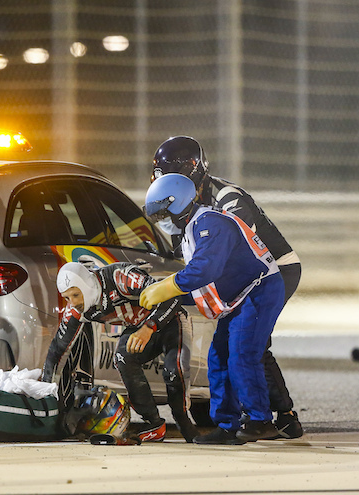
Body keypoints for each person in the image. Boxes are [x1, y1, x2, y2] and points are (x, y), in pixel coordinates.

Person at [150, 135, 302, 439]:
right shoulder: (188, 202)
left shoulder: (227, 199)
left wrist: (178, 285)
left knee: (249, 345)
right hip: (244, 277)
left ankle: (274, 416)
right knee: (230, 347)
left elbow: (235, 253)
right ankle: (240, 420)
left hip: (272, 270)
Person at [42, 261, 200, 443]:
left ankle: (185, 424)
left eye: (76, 294)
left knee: (175, 370)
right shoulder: (77, 310)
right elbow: (58, 350)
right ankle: (153, 423)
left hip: (171, 319)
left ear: (87, 285)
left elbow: (172, 298)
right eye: (67, 298)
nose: (74, 303)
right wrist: (46, 393)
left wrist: (149, 327)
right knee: (122, 357)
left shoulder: (120, 277)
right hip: (140, 327)